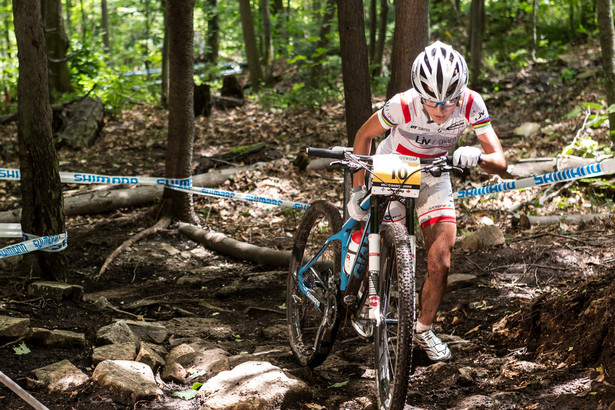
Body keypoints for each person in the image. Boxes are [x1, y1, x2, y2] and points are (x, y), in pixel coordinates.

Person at [347, 41, 507, 361]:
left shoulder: (472, 103)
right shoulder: (402, 104)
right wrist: (356, 188)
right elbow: (363, 137)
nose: (440, 110)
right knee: (392, 246)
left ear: (461, 93)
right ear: (420, 94)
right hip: (394, 166)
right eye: (432, 101)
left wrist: (477, 157)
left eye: (449, 102)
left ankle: (422, 328)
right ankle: (371, 296)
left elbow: (499, 161)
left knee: (441, 260)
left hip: (435, 171)